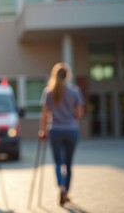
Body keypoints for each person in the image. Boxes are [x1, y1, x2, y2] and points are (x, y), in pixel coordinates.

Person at [39, 62, 84, 206]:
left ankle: (62, 187)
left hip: (56, 130)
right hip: (71, 130)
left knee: (58, 162)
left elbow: (45, 115)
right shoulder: (75, 91)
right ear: (68, 76)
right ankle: (66, 192)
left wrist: (43, 131)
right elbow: (79, 114)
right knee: (69, 164)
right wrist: (70, 113)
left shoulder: (49, 92)